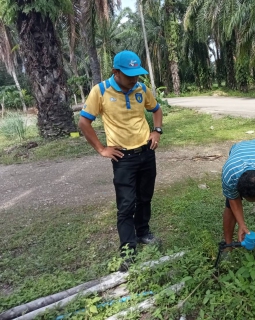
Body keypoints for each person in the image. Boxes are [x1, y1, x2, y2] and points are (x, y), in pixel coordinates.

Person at [78, 50, 163, 269]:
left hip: (146, 153)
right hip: (123, 157)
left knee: (145, 197)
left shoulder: (141, 89)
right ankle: (128, 250)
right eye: (129, 75)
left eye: (137, 74)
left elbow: (156, 109)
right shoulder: (101, 91)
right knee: (126, 205)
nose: (134, 79)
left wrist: (157, 131)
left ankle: (143, 232)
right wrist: (101, 149)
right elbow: (84, 123)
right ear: (116, 72)